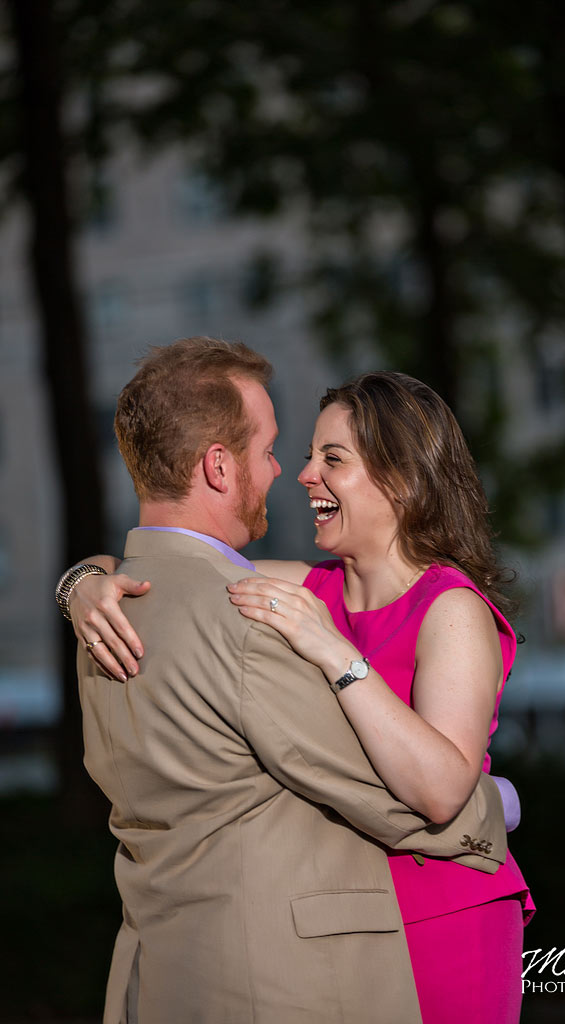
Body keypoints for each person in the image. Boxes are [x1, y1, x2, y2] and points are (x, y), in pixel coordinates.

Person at [68, 356, 533, 1023]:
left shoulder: (448, 608)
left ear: (399, 480)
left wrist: (336, 653)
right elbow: (180, 571)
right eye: (307, 453)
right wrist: (81, 583)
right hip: (350, 919)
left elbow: (440, 791)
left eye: (331, 458)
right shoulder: (306, 587)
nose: (304, 473)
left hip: (441, 909)